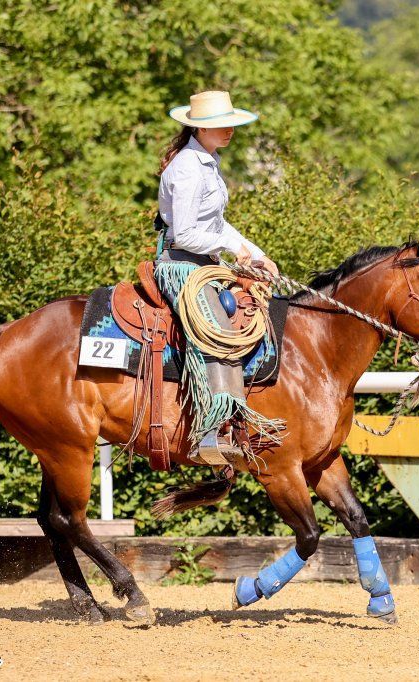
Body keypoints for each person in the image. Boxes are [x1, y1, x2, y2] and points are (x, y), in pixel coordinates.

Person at [154, 90, 283, 466]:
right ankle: (211, 429)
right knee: (218, 330)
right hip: (181, 264)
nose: (227, 130)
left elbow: (218, 224)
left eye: (229, 124)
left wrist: (255, 253)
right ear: (197, 126)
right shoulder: (188, 168)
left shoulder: (208, 161)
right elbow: (186, 234)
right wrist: (234, 249)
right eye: (218, 125)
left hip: (204, 263)